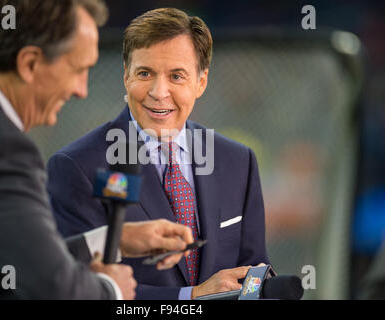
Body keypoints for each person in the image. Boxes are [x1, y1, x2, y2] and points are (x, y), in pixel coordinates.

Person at [0, 0, 194, 300]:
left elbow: (22, 262)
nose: (81, 90)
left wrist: (113, 240)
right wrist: (112, 290)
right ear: (30, 63)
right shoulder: (0, 150)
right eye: (78, 69)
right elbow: (54, 288)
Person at [47, 8, 269, 300]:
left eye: (176, 76)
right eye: (145, 73)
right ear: (126, 76)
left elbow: (255, 276)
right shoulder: (77, 167)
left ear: (201, 82)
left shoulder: (238, 162)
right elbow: (78, 287)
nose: (158, 91)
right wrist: (192, 297)